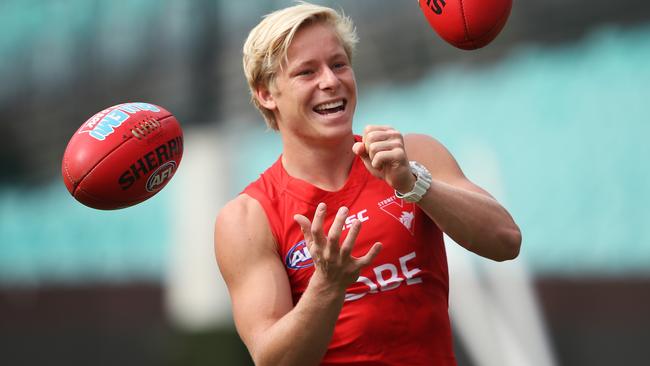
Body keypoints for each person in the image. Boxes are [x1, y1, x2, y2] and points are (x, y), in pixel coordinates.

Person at [214, 3, 521, 365]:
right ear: (266, 93)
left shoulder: (413, 156)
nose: (330, 81)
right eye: (306, 72)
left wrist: (414, 185)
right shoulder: (248, 217)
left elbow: (505, 241)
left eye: (339, 64)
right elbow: (275, 360)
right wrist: (328, 286)